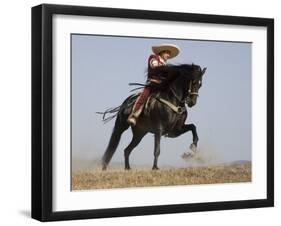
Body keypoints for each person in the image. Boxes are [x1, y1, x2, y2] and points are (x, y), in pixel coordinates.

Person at [127, 44, 180, 126]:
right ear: (161, 52)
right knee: (144, 95)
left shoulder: (166, 65)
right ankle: (134, 115)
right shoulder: (153, 58)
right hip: (153, 84)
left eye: (169, 53)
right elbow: (155, 67)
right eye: (167, 52)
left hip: (162, 87)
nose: (168, 55)